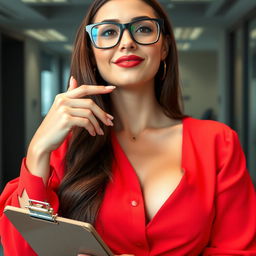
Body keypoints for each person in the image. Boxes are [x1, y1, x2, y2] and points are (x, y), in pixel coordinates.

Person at [0, 0, 256, 255]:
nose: (126, 42)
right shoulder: (66, 146)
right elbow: (22, 249)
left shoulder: (217, 141)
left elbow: (238, 250)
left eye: (143, 29)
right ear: (91, 52)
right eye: (109, 32)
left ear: (164, 46)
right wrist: (38, 151)